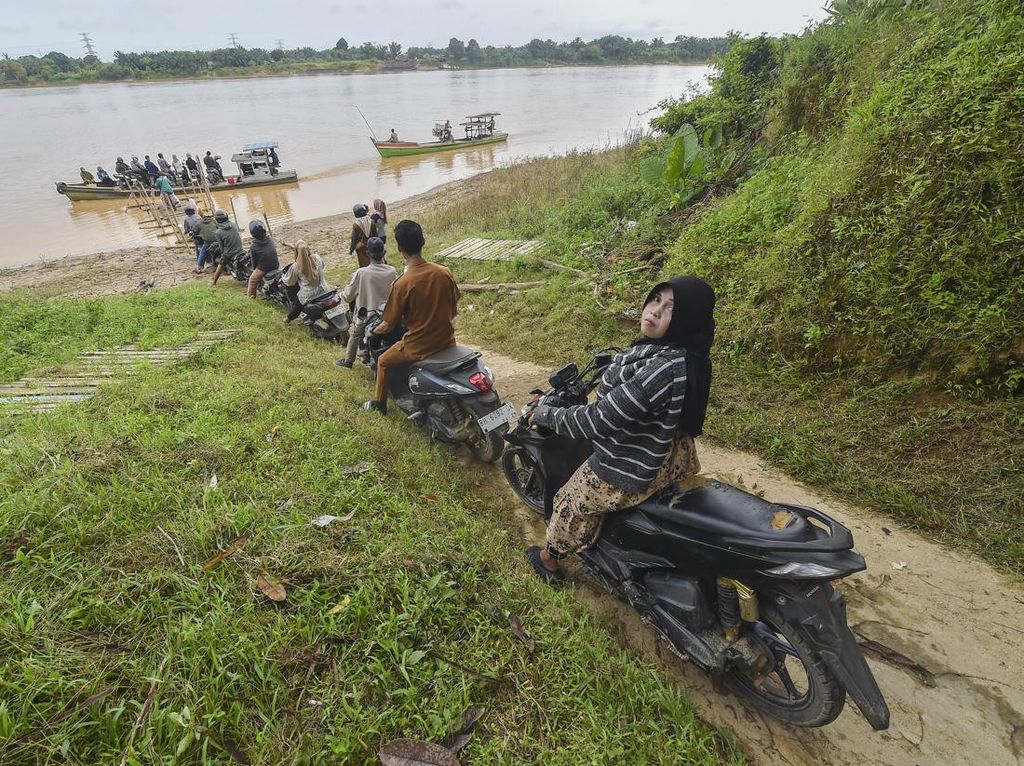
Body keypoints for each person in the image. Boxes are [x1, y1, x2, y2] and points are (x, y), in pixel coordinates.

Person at [524, 276, 715, 583]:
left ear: (686, 319)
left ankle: (549, 560)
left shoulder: (662, 369)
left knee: (569, 502)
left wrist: (547, 414)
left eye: (670, 308)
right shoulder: (679, 352)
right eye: (656, 299)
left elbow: (599, 420)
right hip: (669, 453)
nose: (655, 310)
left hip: (632, 463)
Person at [361, 220, 460, 414]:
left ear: (399, 248)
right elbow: (453, 310)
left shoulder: (402, 284)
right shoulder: (444, 273)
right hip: (447, 340)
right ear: (423, 241)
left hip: (418, 346)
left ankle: (379, 405)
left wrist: (372, 332)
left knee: (383, 361)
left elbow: (388, 325)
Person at [335, 237, 397, 369]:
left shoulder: (361, 273)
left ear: (367, 253)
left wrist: (342, 294)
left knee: (355, 333)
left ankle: (348, 361)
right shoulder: (392, 271)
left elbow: (348, 295)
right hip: (388, 315)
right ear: (384, 252)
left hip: (367, 315)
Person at [282, 240, 333, 324]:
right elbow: (323, 266)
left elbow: (290, 282)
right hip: (324, 288)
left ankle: (288, 319)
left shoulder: (296, 266)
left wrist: (283, 277)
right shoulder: (317, 257)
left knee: (297, 306)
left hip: (309, 294)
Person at [210, 210, 244, 286]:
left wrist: (223, 254)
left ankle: (214, 282)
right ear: (226, 217)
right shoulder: (234, 224)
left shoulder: (218, 232)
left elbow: (221, 247)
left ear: (217, 220)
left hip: (229, 253)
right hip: (240, 249)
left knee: (221, 264)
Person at [246, 219, 279, 298]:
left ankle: (251, 298)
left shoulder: (253, 246)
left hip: (263, 268)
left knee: (252, 280)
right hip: (275, 264)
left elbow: (254, 262)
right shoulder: (270, 239)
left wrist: (254, 270)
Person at [349, 203, 374, 268]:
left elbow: (354, 238)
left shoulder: (356, 225)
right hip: (371, 244)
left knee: (364, 263)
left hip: (361, 247)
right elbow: (375, 235)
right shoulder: (371, 221)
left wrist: (351, 249)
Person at [182, 203, 203, 271]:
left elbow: (186, 230)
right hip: (203, 233)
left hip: (196, 235)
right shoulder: (198, 216)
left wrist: (185, 232)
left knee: (197, 247)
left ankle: (199, 260)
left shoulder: (186, 219)